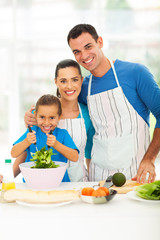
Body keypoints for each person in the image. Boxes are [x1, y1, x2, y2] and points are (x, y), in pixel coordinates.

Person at [67, 23, 160, 183]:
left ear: (100, 42)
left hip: (136, 175)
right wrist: (34, 116)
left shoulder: (135, 73)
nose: (84, 55)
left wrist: (149, 159)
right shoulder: (83, 88)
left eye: (88, 46)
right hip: (98, 178)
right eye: (77, 52)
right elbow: (60, 109)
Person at [17, 59, 95, 182]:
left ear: (81, 80)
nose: (69, 86)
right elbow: (25, 152)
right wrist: (7, 178)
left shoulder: (88, 115)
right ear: (56, 82)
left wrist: (93, 187)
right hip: (45, 183)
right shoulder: (43, 113)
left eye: (74, 80)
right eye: (63, 81)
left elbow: (89, 155)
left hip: (79, 182)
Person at [11, 94, 79, 182]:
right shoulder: (31, 132)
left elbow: (75, 157)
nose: (47, 123)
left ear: (59, 117)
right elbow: (13, 153)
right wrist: (27, 141)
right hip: (32, 183)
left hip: (60, 184)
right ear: (35, 115)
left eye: (52, 118)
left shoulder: (63, 134)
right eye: (42, 117)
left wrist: (56, 144)